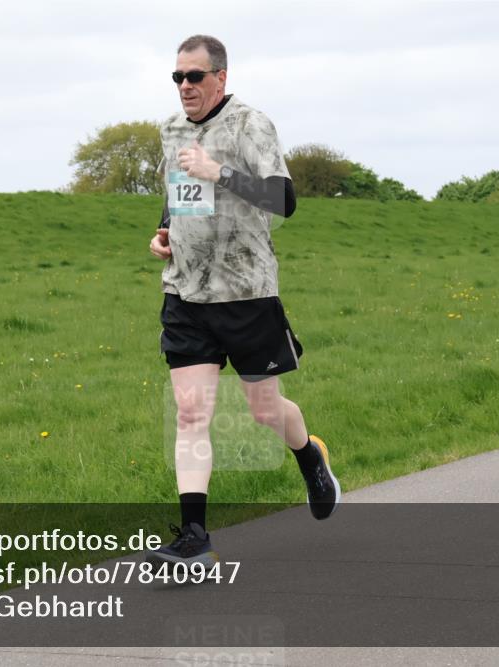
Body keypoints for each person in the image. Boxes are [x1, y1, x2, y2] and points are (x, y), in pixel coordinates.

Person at [145, 35, 340, 571]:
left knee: (263, 410)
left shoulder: (253, 125)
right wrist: (164, 231)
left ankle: (309, 454)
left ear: (220, 78)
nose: (185, 87)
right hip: (185, 291)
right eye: (177, 78)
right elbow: (178, 193)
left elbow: (285, 200)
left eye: (195, 77)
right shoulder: (171, 130)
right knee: (190, 412)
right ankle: (194, 538)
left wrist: (221, 172)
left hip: (247, 291)